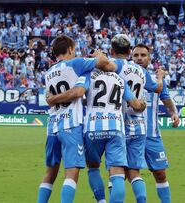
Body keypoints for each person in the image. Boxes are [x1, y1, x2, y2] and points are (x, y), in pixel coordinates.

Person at [46, 69, 147, 203]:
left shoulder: (87, 75)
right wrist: (143, 104)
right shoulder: (120, 78)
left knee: (93, 167)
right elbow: (136, 105)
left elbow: (78, 94)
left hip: (93, 128)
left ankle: (101, 201)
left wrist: (52, 98)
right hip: (115, 128)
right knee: (117, 172)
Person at [36, 34, 115, 203]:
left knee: (50, 173)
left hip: (52, 126)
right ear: (70, 49)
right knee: (71, 173)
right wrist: (98, 55)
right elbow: (103, 64)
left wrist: (52, 100)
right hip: (71, 125)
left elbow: (50, 99)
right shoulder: (76, 63)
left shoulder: (49, 72)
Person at [107, 34, 164, 203]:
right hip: (139, 125)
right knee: (135, 172)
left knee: (115, 172)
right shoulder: (141, 70)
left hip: (118, 124)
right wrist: (160, 76)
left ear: (112, 50)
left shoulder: (111, 66)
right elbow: (157, 88)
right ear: (130, 52)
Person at [132, 43, 180, 203]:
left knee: (160, 173)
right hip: (129, 134)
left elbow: (167, 101)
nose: (139, 58)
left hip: (152, 136)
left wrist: (173, 113)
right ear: (131, 57)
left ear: (149, 58)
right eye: (136, 55)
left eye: (143, 55)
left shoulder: (157, 81)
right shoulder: (123, 77)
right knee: (122, 173)